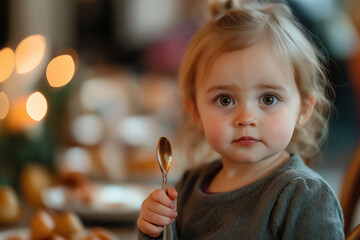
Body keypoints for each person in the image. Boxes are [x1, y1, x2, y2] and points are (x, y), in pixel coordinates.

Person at [137, 0, 345, 239]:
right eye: (225, 100)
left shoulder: (304, 197)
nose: (246, 118)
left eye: (268, 99)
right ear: (195, 111)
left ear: (304, 109)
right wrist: (152, 230)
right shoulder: (187, 187)